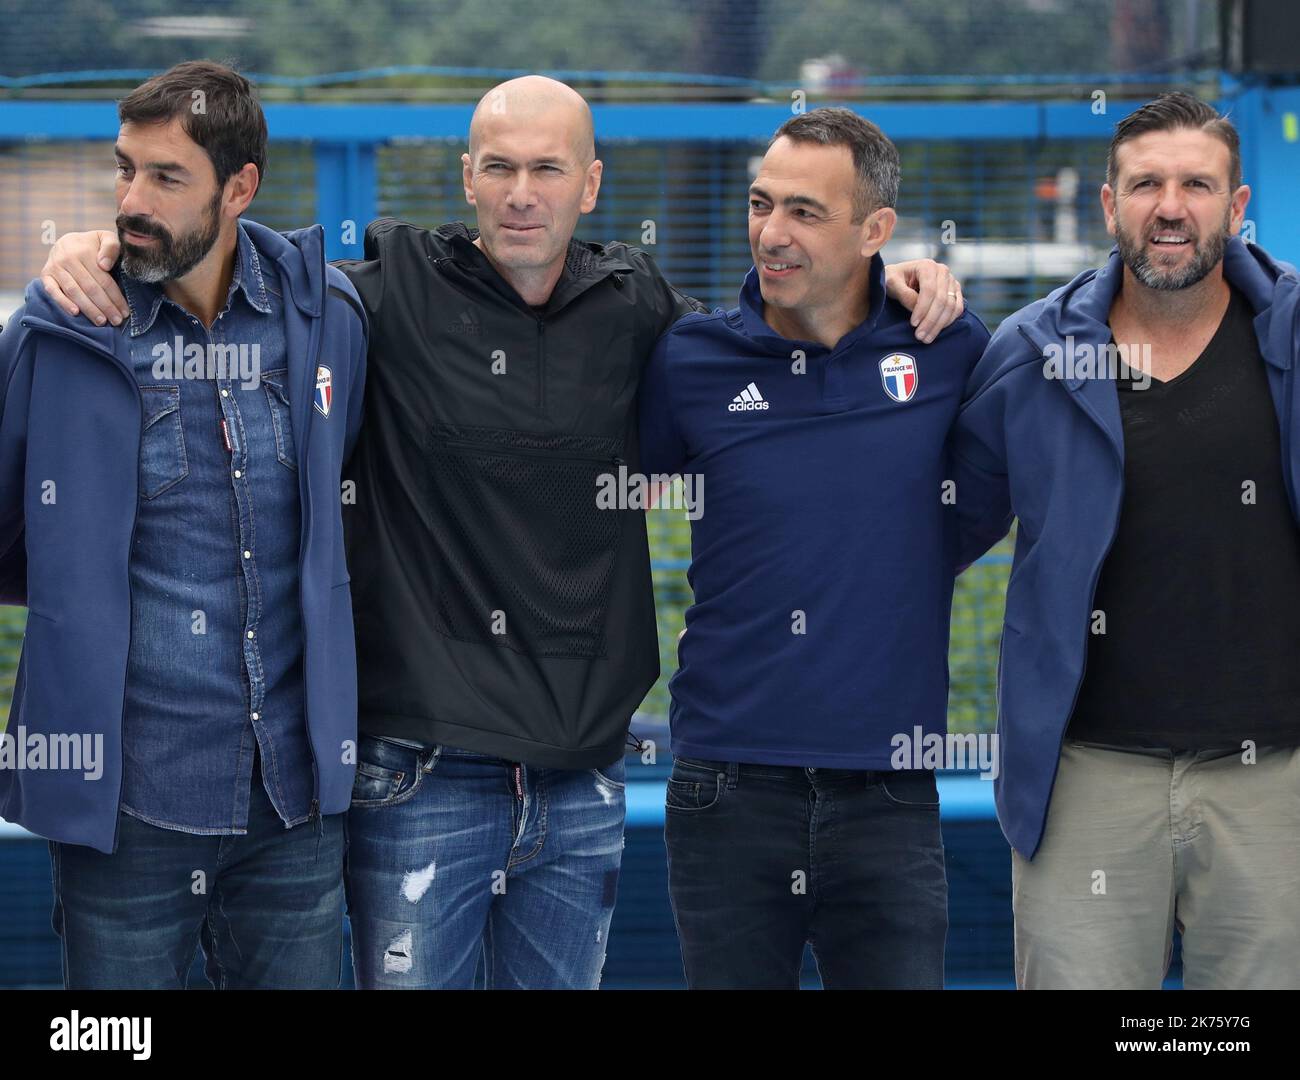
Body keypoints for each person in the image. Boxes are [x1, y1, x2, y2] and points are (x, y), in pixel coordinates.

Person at [40, 76, 964, 990]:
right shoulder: (383, 294)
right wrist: (102, 244)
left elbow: (773, 354)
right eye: (500, 167)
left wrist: (894, 286)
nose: (523, 192)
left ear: (591, 186)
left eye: (548, 169)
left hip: (581, 781)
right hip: (420, 777)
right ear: (467, 179)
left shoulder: (642, 312)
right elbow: (231, 265)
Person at [0, 61, 367, 989]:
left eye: (167, 178)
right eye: (125, 170)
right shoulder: (67, 328)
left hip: (294, 807)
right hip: (129, 809)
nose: (133, 200)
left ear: (240, 187)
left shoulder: (325, 320)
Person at [638, 107, 1006, 989]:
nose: (772, 232)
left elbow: (982, 500)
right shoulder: (690, 359)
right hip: (725, 784)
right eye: (761, 204)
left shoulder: (947, 344)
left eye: (805, 211)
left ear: (877, 230)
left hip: (890, 785)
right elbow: (603, 504)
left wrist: (889, 563)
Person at [953, 92, 1300, 989]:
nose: (1171, 206)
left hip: (1276, 780)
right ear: (1109, 206)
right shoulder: (1034, 354)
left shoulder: (1293, 335)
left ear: (1238, 203)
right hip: (1087, 778)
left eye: (1196, 183)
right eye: (1146, 183)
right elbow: (933, 530)